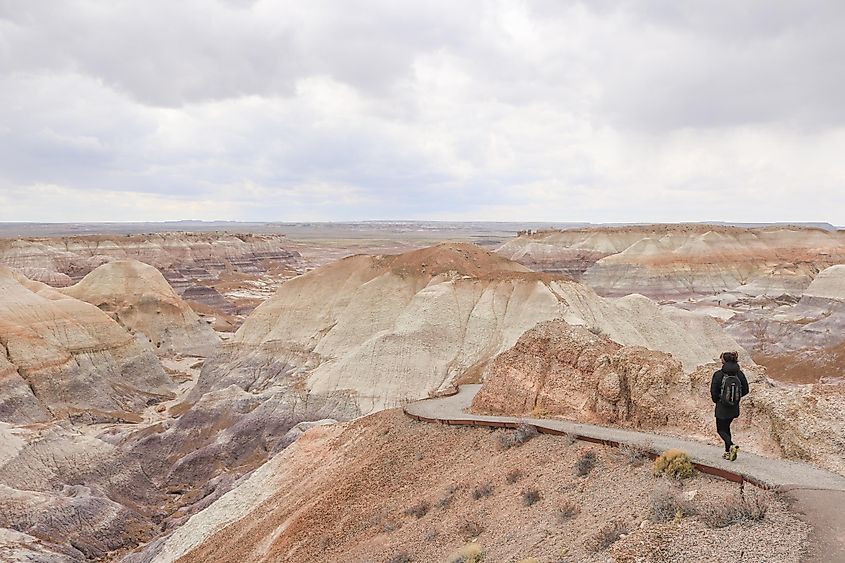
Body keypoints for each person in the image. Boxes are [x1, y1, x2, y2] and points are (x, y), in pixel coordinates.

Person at [710, 351, 749, 461]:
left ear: (724, 361)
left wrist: (718, 400)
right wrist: (735, 399)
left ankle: (731, 445)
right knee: (726, 428)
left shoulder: (718, 374)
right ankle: (728, 452)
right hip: (734, 407)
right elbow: (746, 390)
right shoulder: (739, 374)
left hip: (722, 407)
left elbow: (713, 392)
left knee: (720, 430)